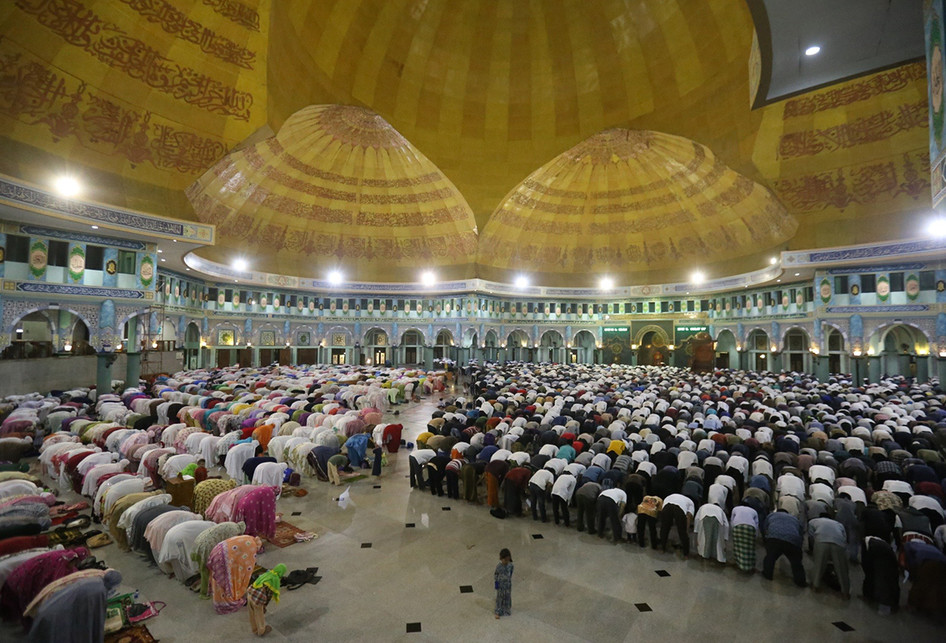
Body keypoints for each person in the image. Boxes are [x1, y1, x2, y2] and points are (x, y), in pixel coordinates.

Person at [808, 516, 850, 598]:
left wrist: (814, 549)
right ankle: (845, 593)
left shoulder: (812, 521)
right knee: (842, 569)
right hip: (838, 543)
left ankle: (815, 586)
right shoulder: (839, 524)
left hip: (821, 540)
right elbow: (844, 538)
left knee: (819, 565)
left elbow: (811, 536)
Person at [762, 510, 807, 587]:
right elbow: (801, 533)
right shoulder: (794, 519)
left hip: (774, 538)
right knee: (796, 563)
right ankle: (800, 581)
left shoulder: (772, 515)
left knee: (770, 558)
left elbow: (764, 527)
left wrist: (766, 539)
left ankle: (767, 574)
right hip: (792, 539)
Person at [247, 563, 287, 636]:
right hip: (257, 598)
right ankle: (261, 631)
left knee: (252, 614)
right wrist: (264, 606)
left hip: (250, 593)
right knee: (259, 615)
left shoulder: (267, 573)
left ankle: (254, 629)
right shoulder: (275, 579)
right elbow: (268, 595)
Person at [494, 548, 513, 619]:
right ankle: (498, 611)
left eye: (508, 560)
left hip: (508, 585)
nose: (506, 562)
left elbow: (511, 573)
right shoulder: (499, 567)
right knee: (500, 598)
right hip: (501, 585)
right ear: (501, 559)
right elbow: (496, 574)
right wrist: (496, 583)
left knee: (507, 597)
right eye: (505, 560)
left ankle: (506, 609)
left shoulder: (511, 566)